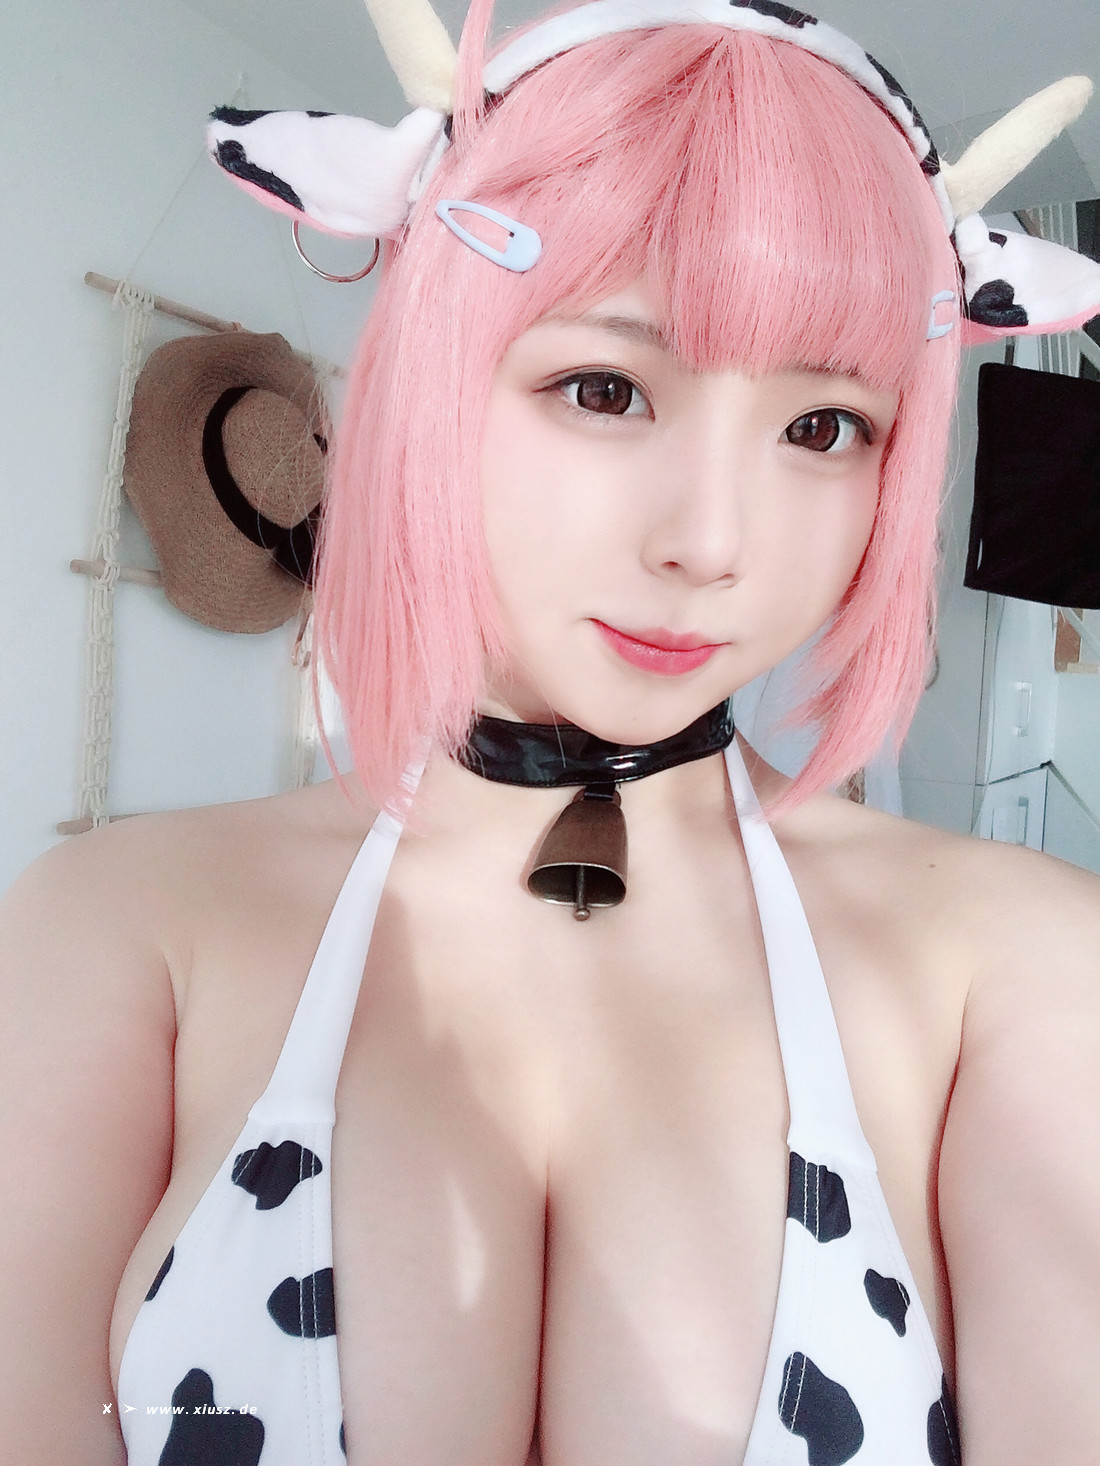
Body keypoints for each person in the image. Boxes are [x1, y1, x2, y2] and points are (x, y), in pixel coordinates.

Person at [3, 2, 1100, 1463]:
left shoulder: (1020, 969)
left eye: (823, 427)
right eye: (604, 389)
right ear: (433, 383)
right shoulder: (114, 928)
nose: (712, 542)